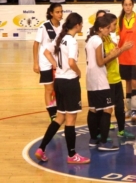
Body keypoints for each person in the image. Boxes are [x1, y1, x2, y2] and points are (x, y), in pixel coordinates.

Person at [35, 12, 90, 164]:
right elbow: (72, 62)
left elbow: (46, 52)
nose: (82, 26)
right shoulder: (71, 41)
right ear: (77, 25)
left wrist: (56, 65)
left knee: (59, 117)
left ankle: (41, 148)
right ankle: (72, 155)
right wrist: (78, 73)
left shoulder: (61, 38)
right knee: (71, 119)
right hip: (69, 82)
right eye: (81, 24)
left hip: (59, 80)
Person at [86, 16, 120, 151]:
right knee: (108, 108)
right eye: (107, 28)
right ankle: (104, 142)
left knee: (93, 108)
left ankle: (93, 139)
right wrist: (112, 55)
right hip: (99, 79)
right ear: (100, 28)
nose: (109, 30)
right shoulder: (98, 40)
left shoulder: (90, 39)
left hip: (90, 78)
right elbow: (100, 62)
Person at [103, 13, 135, 139]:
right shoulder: (101, 40)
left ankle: (121, 130)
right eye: (114, 24)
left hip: (115, 78)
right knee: (107, 109)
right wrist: (123, 49)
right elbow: (107, 58)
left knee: (120, 107)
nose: (116, 27)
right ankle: (103, 134)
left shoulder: (109, 38)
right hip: (107, 79)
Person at [33, 3, 63, 121]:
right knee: (49, 89)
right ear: (51, 13)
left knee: (58, 89)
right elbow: (36, 44)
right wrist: (36, 63)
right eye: (57, 12)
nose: (60, 14)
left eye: (61, 11)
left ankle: (59, 110)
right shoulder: (44, 27)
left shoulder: (63, 27)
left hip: (58, 63)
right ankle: (52, 114)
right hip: (45, 63)